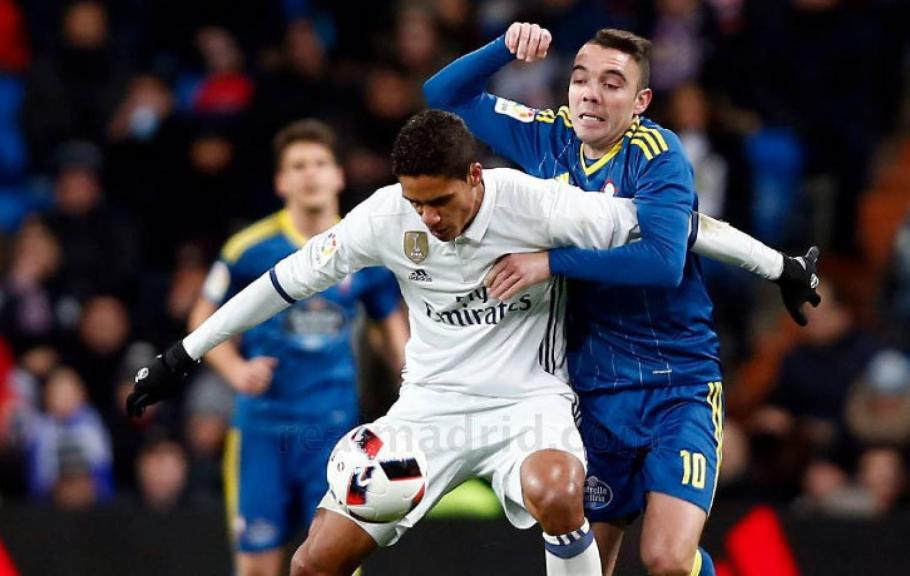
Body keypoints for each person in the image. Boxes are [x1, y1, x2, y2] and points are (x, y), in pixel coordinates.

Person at [127, 110, 809, 576]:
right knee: (314, 562)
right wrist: (183, 355)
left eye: (441, 203)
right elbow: (280, 284)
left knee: (557, 485)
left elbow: (678, 226)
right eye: (415, 201)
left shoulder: (537, 204)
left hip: (530, 408)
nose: (428, 217)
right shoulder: (385, 218)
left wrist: (781, 266)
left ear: (474, 179)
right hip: (428, 413)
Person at [425, 24, 820, 576]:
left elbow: (663, 262)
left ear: (640, 102)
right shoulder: (547, 136)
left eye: (612, 84)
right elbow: (442, 96)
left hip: (675, 385)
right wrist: (503, 48)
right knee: (588, 563)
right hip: (590, 389)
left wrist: (549, 262)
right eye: (581, 79)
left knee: (665, 558)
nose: (591, 93)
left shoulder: (658, 155)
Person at [187, 119, 407, 576]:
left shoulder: (363, 246)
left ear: (338, 176)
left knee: (334, 562)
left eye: (320, 163)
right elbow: (200, 319)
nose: (310, 174)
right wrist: (234, 371)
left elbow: (392, 331)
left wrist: (416, 392)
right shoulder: (249, 249)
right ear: (280, 181)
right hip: (262, 429)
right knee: (257, 566)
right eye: (298, 165)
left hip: (333, 433)